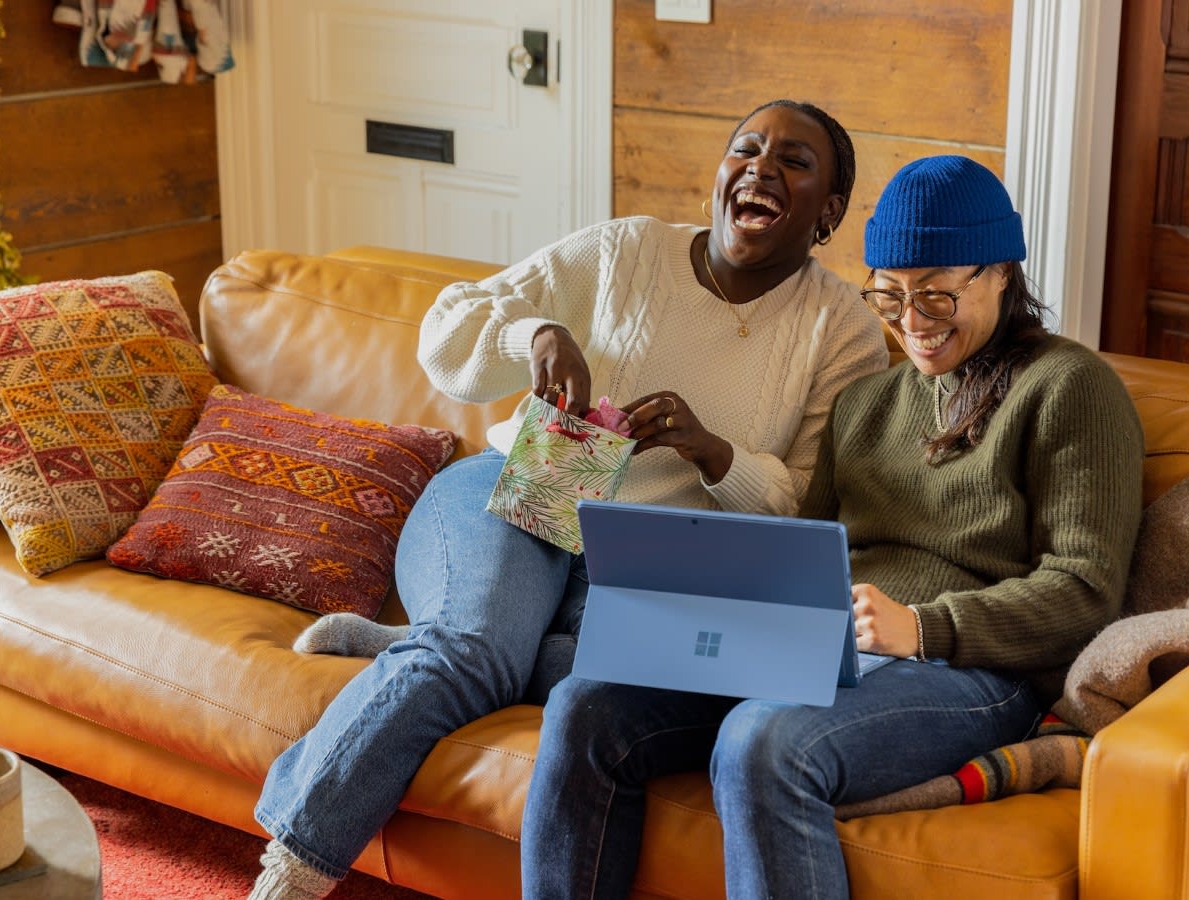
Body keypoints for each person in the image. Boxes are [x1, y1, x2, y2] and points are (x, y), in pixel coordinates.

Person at [245, 99, 889, 900]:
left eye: (794, 162)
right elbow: (448, 331)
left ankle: (416, 645)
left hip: (651, 565)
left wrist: (714, 453)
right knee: (474, 653)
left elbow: (807, 514)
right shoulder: (627, 251)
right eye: (746, 150)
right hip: (523, 487)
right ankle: (293, 868)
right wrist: (537, 335)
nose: (761, 168)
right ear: (721, 175)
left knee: (652, 669)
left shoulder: (844, 332)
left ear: (827, 212)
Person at [520, 155, 1146, 899]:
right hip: (820, 650)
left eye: (937, 298)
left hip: (970, 670)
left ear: (1001, 273)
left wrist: (923, 627)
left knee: (763, 744)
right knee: (586, 705)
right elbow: (802, 556)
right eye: (890, 295)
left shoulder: (1071, 388)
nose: (912, 324)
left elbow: (1084, 591)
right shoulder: (866, 405)